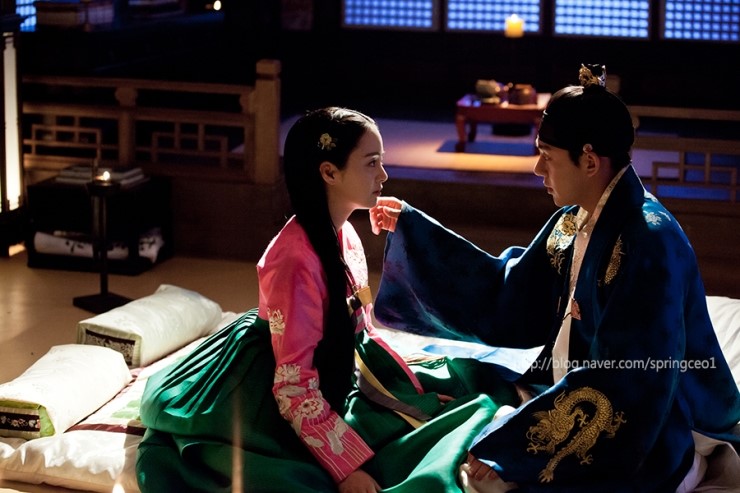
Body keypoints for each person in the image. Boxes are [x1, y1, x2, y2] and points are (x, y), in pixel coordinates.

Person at [369, 65, 740, 492]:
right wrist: (414, 230)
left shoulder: (649, 242)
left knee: (491, 476)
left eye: (548, 155)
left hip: (660, 418)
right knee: (448, 379)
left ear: (589, 161)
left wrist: (515, 444)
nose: (537, 168)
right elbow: (509, 292)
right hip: (579, 375)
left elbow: (631, 378)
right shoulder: (573, 219)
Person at [136, 107, 520, 492]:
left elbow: (361, 333)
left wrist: (408, 394)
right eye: (371, 163)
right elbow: (292, 385)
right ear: (329, 173)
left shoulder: (345, 234)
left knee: (473, 389)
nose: (384, 175)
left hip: (333, 366)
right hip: (273, 378)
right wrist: (346, 468)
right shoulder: (293, 260)